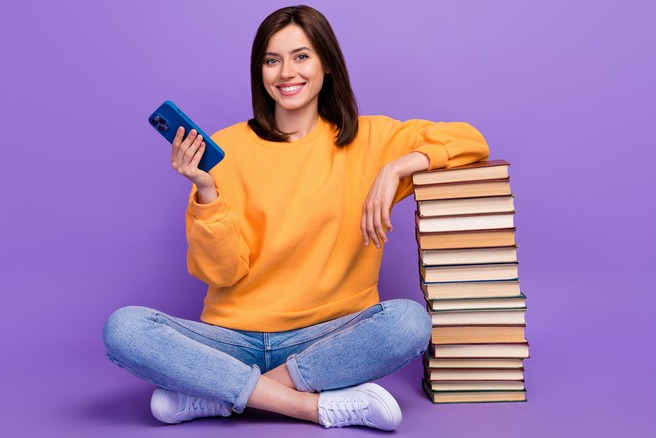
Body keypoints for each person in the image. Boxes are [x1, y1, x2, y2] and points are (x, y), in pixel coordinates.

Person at [103, 5, 489, 431]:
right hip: (233, 341)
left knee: (410, 322)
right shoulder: (226, 150)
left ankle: (225, 395)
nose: (286, 72)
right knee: (124, 328)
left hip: (328, 341)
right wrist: (206, 190)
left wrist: (394, 168)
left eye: (301, 56)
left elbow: (469, 139)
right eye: (272, 60)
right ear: (261, 72)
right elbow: (220, 271)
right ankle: (309, 407)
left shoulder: (373, 139)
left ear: (327, 64)